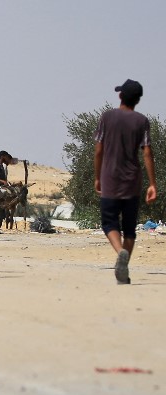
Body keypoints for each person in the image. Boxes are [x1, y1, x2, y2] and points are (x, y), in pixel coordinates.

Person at [95, 79, 158, 285]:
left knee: (109, 223)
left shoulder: (107, 117)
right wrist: (152, 184)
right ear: (138, 100)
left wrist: (97, 177)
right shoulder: (142, 121)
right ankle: (124, 265)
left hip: (110, 179)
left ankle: (120, 251)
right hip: (133, 181)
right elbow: (147, 152)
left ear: (121, 96)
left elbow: (99, 150)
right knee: (130, 229)